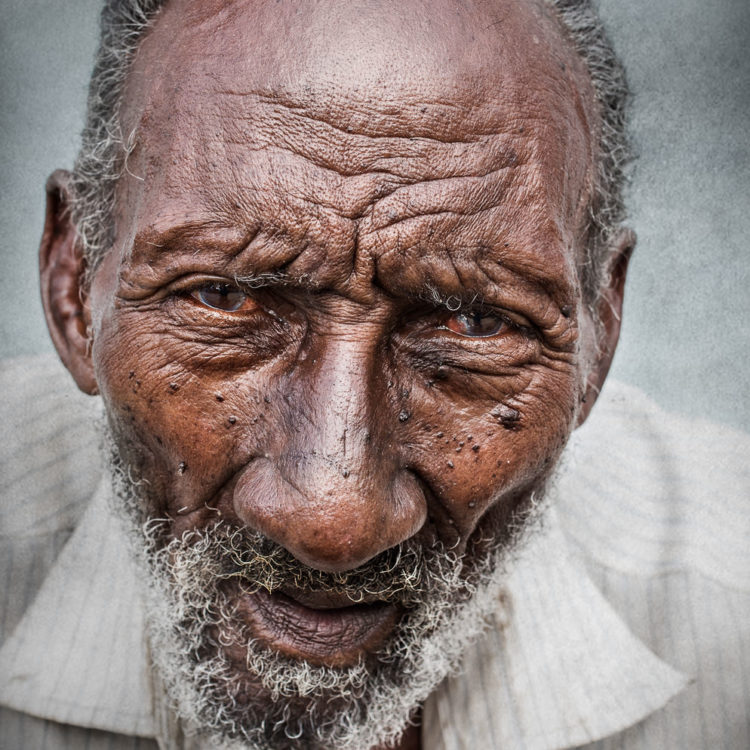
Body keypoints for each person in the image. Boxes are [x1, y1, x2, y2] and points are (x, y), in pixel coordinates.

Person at [0, 0, 747, 748]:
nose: (335, 521)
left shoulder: (729, 623)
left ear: (599, 337)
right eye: (227, 297)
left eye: (473, 323)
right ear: (74, 291)